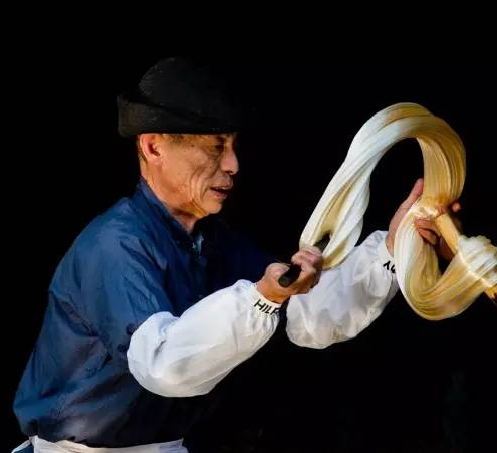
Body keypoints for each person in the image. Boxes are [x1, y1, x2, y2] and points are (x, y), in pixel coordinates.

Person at [12, 57, 458, 453]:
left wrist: (395, 246)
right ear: (153, 146)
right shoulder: (115, 245)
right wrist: (262, 297)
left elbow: (309, 318)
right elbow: (162, 364)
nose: (233, 165)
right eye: (215, 146)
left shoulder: (215, 243)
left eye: (232, 146)